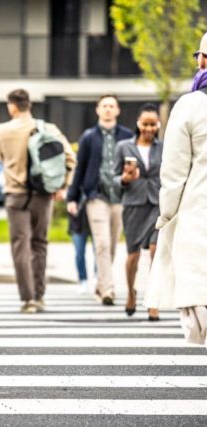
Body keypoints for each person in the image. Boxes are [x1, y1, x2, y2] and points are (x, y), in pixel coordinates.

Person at [0, 89, 76, 313]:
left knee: (20, 246)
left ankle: (27, 299)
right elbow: (70, 157)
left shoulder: (1, 130)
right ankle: (40, 295)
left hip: (15, 194)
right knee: (39, 243)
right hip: (42, 194)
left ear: (12, 106)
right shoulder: (48, 128)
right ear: (29, 105)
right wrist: (62, 185)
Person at [145, 33, 207, 319]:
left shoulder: (191, 106)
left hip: (199, 209)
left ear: (203, 61)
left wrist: (166, 214)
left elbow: (173, 171)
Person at [67, 94, 134, 306]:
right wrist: (73, 197)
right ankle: (107, 289)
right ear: (98, 110)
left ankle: (101, 283)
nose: (107, 109)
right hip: (96, 197)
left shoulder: (126, 136)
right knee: (102, 243)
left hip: (120, 197)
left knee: (112, 244)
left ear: (117, 110)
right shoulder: (88, 137)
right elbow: (80, 168)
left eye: (111, 106)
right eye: (104, 106)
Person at [114, 103, 163, 321]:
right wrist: (124, 179)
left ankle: (153, 302)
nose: (149, 128)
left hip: (157, 204)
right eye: (145, 124)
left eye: (153, 124)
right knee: (132, 255)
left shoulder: (164, 147)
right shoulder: (124, 147)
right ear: (138, 124)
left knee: (155, 251)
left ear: (158, 125)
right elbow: (112, 177)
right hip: (133, 205)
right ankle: (131, 292)